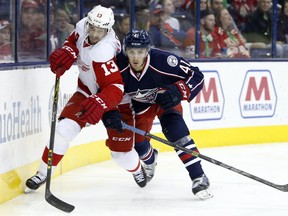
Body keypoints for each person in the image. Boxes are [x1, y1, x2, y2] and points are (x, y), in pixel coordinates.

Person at [102, 29, 213, 200]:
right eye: (131, 51)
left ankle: (198, 176)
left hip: (166, 100)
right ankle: (151, 158)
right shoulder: (118, 66)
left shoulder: (164, 61)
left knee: (177, 134)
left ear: (147, 50)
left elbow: (196, 75)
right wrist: (109, 112)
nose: (136, 57)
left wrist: (178, 91)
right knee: (139, 146)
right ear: (125, 51)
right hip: (141, 105)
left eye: (140, 51)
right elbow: (105, 89)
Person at [25, 5, 124, 191]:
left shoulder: (104, 51)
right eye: (92, 27)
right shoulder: (82, 26)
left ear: (108, 30)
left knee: (123, 154)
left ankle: (141, 167)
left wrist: (102, 102)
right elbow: (72, 40)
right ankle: (42, 174)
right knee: (63, 130)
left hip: (113, 99)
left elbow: (116, 87)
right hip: (86, 90)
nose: (94, 33)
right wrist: (69, 51)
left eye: (100, 30)